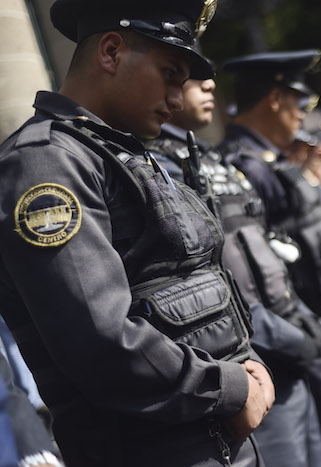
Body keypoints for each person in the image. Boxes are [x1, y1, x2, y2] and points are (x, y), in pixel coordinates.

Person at [0, 1, 275, 466]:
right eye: (170, 74)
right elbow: (100, 342)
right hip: (152, 447)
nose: (176, 98)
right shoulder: (44, 162)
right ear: (110, 52)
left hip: (208, 426)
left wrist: (249, 365)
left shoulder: (123, 151)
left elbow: (201, 280)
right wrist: (231, 387)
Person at [144, 77, 321, 467]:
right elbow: (210, 277)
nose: (210, 84)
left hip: (280, 339)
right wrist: (288, 338)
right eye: (182, 71)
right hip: (253, 354)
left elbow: (263, 248)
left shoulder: (206, 157)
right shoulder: (158, 165)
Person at [218, 51, 321, 467]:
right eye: (299, 106)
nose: (302, 117)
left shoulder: (270, 159)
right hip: (304, 320)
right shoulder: (241, 165)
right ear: (274, 99)